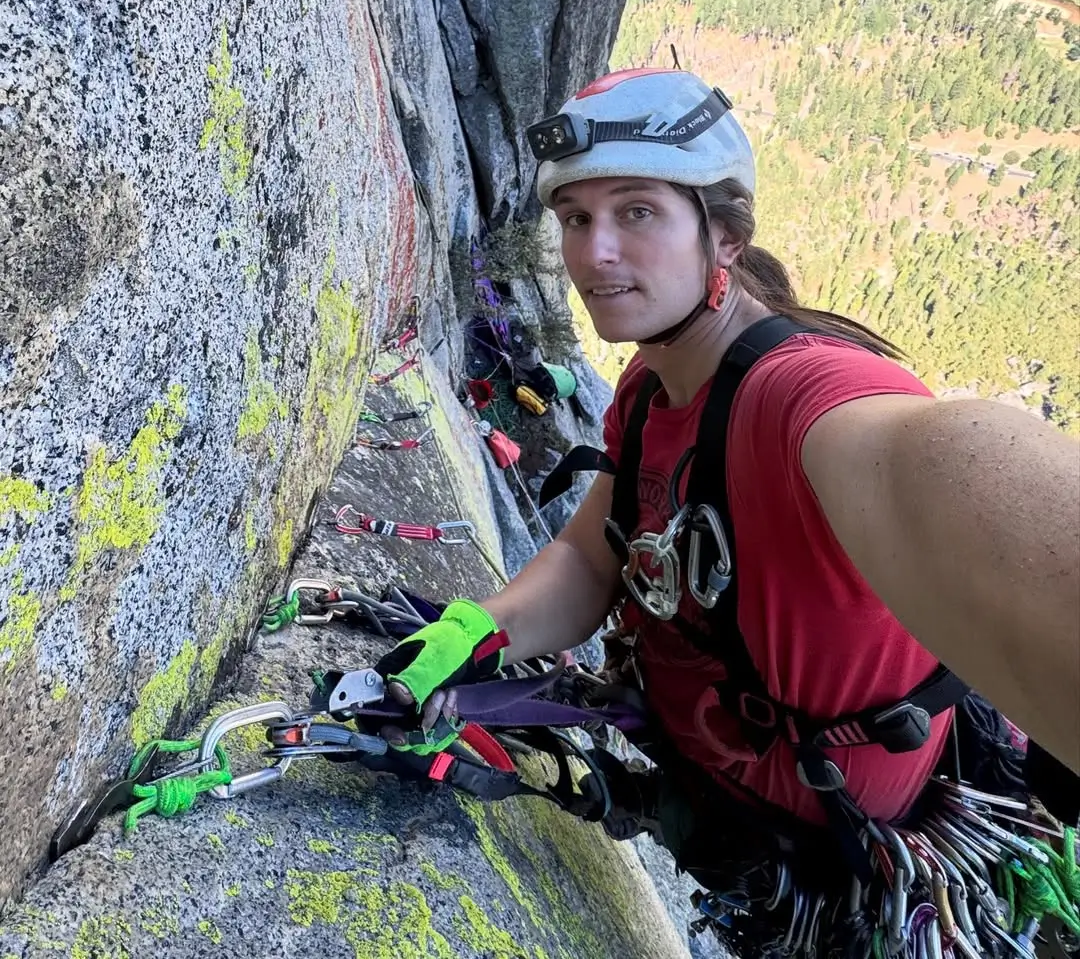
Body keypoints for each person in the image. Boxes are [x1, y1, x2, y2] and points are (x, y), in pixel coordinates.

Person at [374, 67, 1080, 887]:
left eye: (636, 211)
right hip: (713, 796)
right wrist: (480, 630)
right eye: (575, 217)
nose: (593, 251)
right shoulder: (649, 387)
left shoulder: (801, 399)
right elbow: (590, 559)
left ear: (727, 237)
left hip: (828, 854)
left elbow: (948, 458)